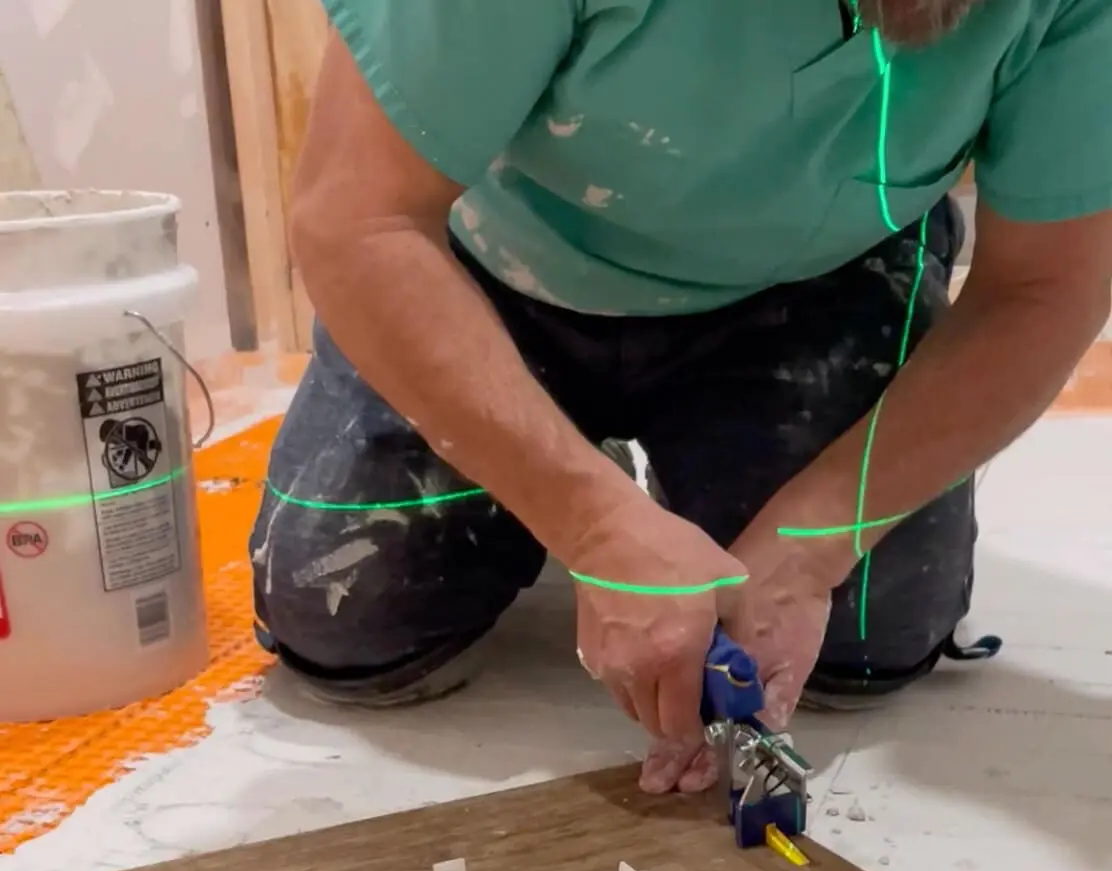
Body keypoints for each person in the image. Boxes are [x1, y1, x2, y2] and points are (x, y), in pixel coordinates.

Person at [251, 0, 1112, 795]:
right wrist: (594, 525)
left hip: (814, 279)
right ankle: (572, 461)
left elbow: (1043, 288)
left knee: (866, 640)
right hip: (496, 267)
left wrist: (811, 547)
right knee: (347, 619)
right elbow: (357, 220)